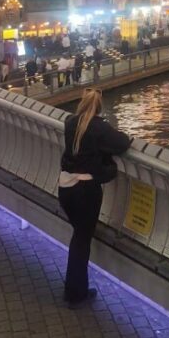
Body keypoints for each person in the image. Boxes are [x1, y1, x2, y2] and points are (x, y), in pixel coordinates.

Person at [57, 89, 132, 308]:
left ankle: (74, 289)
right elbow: (122, 143)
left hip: (65, 188)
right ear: (99, 108)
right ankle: (75, 294)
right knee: (82, 242)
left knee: (78, 237)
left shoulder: (70, 123)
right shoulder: (100, 127)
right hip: (86, 192)